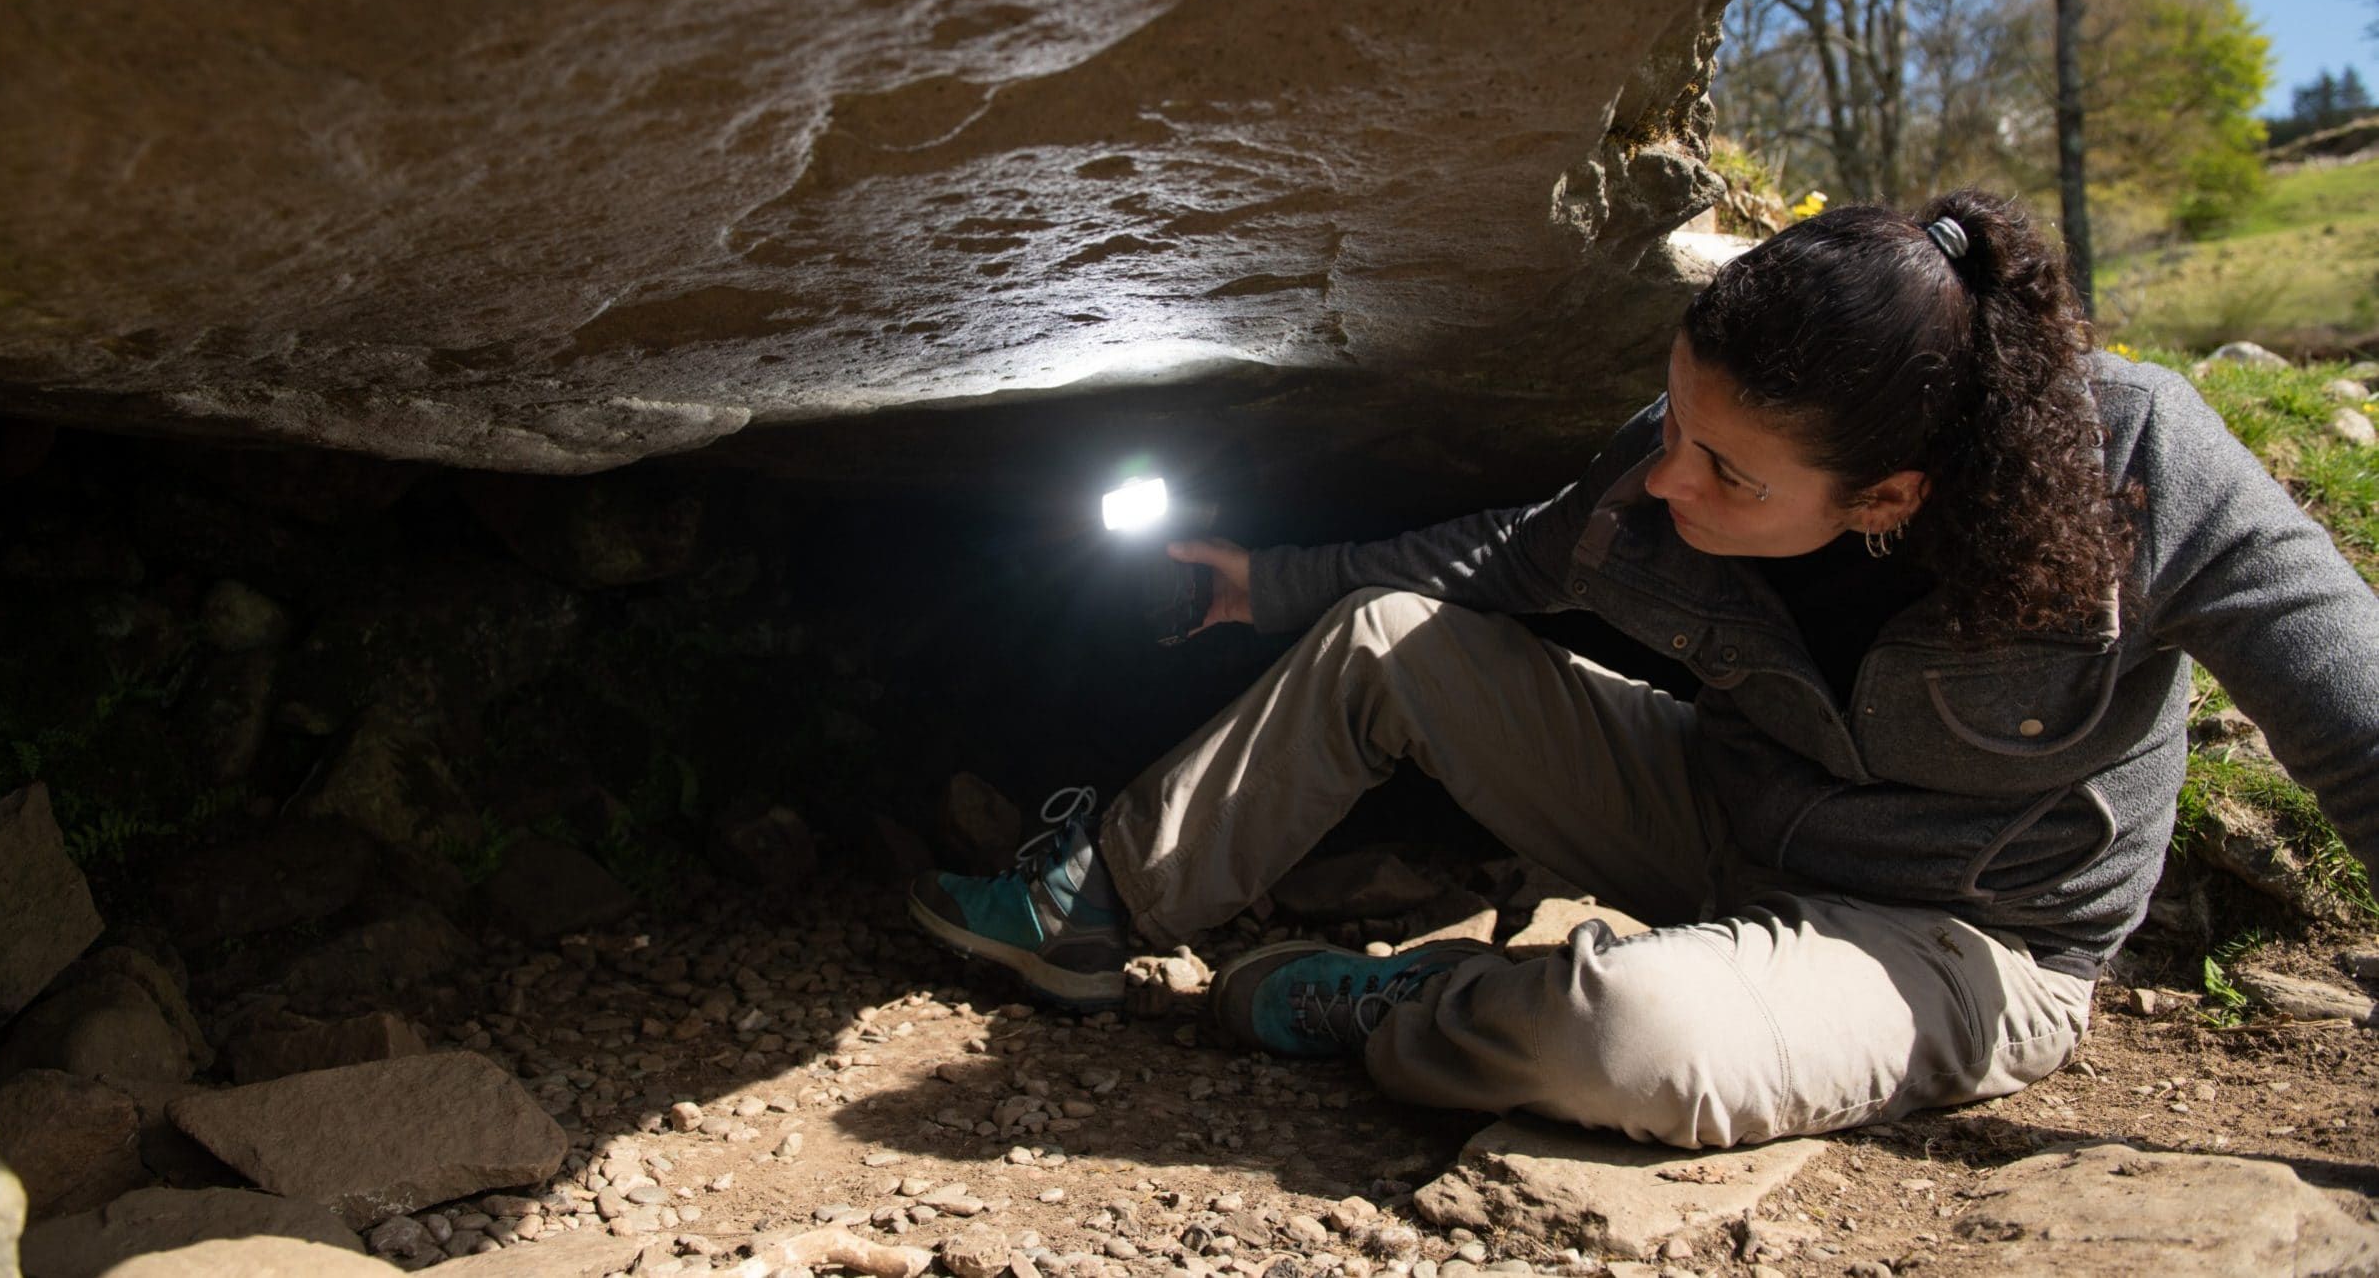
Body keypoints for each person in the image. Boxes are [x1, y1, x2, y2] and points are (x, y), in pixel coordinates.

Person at [908, 189, 2379, 1150]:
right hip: (1720, 815)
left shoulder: (2141, 467)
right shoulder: (1670, 469)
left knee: (1631, 1035)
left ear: (1892, 494)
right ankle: (1091, 900)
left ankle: (1408, 1004)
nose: (1662, 479)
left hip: (1965, 941)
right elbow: (1505, 559)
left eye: (1725, 470)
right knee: (1386, 646)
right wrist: (1262, 581)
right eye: (1669, 421)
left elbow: (2358, 728)